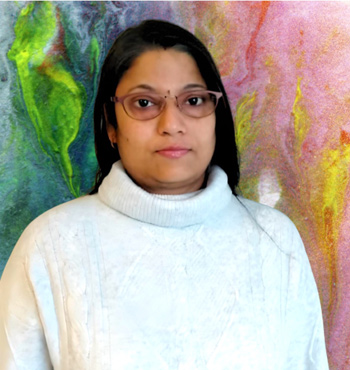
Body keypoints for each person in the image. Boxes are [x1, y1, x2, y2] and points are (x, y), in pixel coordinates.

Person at [0, 19, 328, 369]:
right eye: (144, 103)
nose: (171, 123)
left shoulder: (274, 240)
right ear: (111, 125)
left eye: (194, 100)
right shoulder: (50, 243)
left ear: (216, 116)